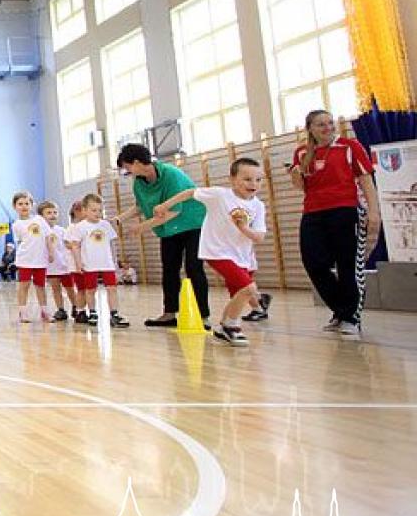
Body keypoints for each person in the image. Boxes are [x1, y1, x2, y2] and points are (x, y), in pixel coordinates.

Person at [155, 158, 267, 347]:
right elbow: (190, 192)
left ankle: (224, 328)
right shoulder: (220, 195)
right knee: (248, 289)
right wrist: (165, 205)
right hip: (216, 251)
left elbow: (259, 237)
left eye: (258, 180)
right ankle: (230, 326)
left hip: (242, 257)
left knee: (240, 295)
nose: (253, 184)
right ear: (232, 179)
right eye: (247, 179)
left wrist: (243, 228)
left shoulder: (258, 206)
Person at [288, 110, 380, 337]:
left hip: (345, 210)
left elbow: (366, 181)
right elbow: (301, 186)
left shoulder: (350, 147)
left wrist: (374, 212)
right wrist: (295, 173)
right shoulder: (301, 152)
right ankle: (341, 309)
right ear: (310, 128)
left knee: (347, 265)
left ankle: (350, 317)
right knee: (314, 263)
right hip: (313, 212)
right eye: (321, 124)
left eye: (330, 123)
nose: (327, 127)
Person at [113, 143, 210, 328]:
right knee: (169, 269)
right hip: (168, 229)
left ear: (136, 163)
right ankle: (169, 314)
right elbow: (141, 206)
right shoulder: (139, 183)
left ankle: (203, 316)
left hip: (192, 224)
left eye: (127, 167)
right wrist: (119, 219)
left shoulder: (171, 175)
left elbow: (173, 210)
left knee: (193, 267)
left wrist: (141, 227)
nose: (127, 172)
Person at [65, 194, 130, 328]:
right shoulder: (80, 227)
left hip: (106, 264)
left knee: (112, 289)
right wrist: (78, 263)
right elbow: (75, 246)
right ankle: (93, 312)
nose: (98, 213)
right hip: (90, 264)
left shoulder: (105, 224)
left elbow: (112, 244)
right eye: (94, 210)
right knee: (90, 290)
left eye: (100, 210)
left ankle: (114, 314)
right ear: (85, 210)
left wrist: (115, 261)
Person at [10, 190, 54, 323]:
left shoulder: (39, 220)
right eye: (20, 204)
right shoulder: (16, 224)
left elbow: (48, 237)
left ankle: (44, 311)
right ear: (15, 206)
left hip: (40, 259)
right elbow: (19, 242)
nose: (24, 206)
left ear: (32, 205)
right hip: (25, 260)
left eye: (27, 203)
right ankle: (23, 312)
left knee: (40, 286)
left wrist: (51, 252)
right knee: (24, 286)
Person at [39, 200, 77, 322]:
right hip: (51, 266)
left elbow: (68, 245)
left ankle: (76, 307)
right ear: (41, 216)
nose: (52, 215)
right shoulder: (40, 232)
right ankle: (61, 309)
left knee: (70, 288)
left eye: (55, 212)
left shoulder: (61, 230)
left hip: (65, 266)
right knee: (56, 289)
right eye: (49, 212)